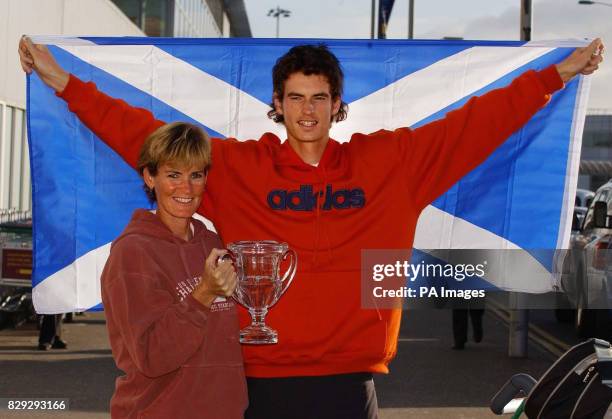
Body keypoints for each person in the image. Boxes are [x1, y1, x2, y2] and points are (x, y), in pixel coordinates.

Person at [19, 37, 603, 419]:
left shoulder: (391, 164)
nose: (306, 110)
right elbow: (143, 136)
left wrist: (554, 75)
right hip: (258, 386)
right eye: (294, 97)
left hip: (351, 386)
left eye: (319, 98)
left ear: (337, 105)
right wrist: (65, 83)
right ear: (276, 102)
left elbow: (477, 123)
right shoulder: (238, 168)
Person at [99, 122, 247, 418]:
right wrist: (203, 294)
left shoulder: (213, 244)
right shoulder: (133, 252)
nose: (186, 188)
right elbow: (152, 356)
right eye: (173, 175)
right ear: (149, 177)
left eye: (195, 175)